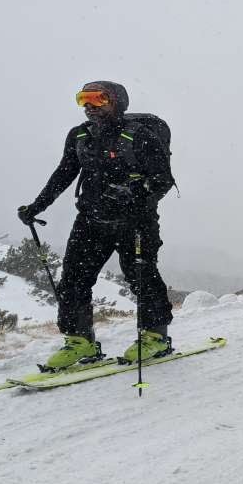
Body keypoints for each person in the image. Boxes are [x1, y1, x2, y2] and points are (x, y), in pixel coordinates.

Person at [18, 81, 176, 370]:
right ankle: (80, 342)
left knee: (141, 276)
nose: (90, 106)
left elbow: (163, 180)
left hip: (135, 221)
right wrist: (36, 206)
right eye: (83, 99)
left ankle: (155, 337)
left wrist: (135, 193)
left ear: (117, 101)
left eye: (98, 99)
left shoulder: (140, 136)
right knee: (73, 280)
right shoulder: (80, 136)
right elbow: (63, 174)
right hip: (90, 220)